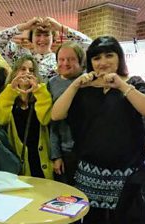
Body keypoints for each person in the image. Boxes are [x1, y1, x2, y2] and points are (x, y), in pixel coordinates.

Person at [51, 36, 145, 223]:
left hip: (127, 176)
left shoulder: (133, 83)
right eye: (96, 58)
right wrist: (75, 84)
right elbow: (56, 114)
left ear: (119, 58)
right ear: (90, 61)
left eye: (109, 55)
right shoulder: (84, 89)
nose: (103, 62)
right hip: (89, 174)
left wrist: (121, 85)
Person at [0, 55, 54, 179]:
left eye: (31, 70)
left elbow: (45, 119)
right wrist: (11, 90)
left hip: (39, 157)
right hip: (18, 157)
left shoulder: (42, 94)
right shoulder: (7, 95)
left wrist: (39, 90)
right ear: (15, 72)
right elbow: (1, 119)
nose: (27, 73)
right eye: (22, 69)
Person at [0, 16, 91, 81]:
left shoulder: (61, 60)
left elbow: (89, 46)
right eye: (38, 35)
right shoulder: (20, 56)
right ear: (31, 38)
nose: (42, 39)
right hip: (23, 108)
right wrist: (24, 26)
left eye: (46, 35)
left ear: (53, 38)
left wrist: (60, 28)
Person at [48, 41, 85, 185]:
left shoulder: (90, 80)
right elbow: (53, 124)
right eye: (61, 59)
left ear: (80, 61)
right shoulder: (52, 84)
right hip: (66, 150)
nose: (65, 63)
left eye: (71, 59)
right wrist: (56, 155)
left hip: (89, 150)